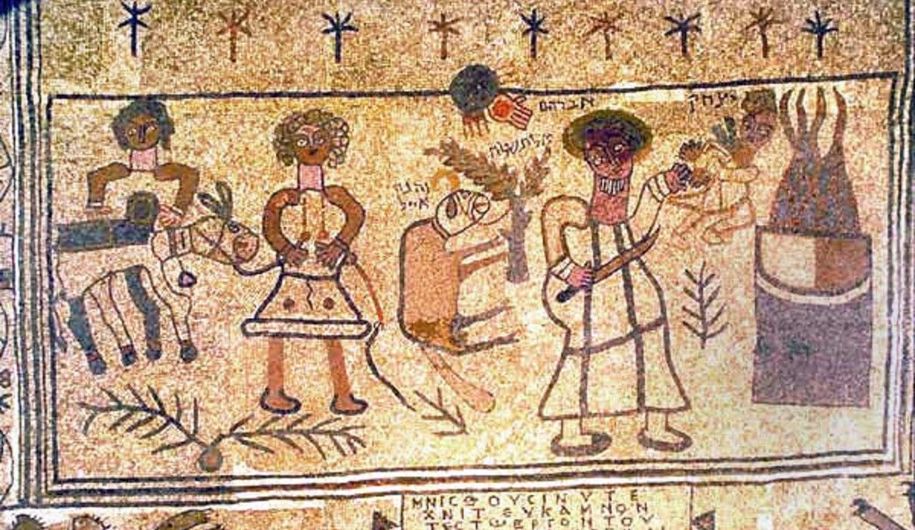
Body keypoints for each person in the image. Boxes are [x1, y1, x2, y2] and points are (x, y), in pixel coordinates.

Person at [540, 109, 693, 456]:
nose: (612, 165)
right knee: (583, 350)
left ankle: (656, 425)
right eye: (599, 156)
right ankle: (570, 430)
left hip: (634, 286)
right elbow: (551, 224)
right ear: (589, 160)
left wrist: (664, 184)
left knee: (651, 336)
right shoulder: (572, 211)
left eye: (620, 152)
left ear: (632, 155)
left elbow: (638, 224)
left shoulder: (625, 221)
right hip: (593, 294)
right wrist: (567, 269)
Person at [242, 109, 377, 416]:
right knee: (278, 327)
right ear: (290, 147)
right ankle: (274, 391)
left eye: (319, 139)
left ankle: (342, 395)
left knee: (333, 328)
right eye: (302, 141)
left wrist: (340, 245)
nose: (312, 146)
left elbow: (356, 215)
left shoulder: (336, 194)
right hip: (294, 274)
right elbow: (270, 223)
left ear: (332, 146)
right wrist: (284, 248)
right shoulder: (285, 196)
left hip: (325, 275)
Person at [669, 89, 777, 247]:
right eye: (748, 127)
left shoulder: (744, 160)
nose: (754, 136)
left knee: (744, 217)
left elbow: (740, 173)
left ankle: (712, 231)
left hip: (735, 197)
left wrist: (734, 171)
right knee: (700, 212)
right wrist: (703, 169)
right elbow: (711, 157)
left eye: (764, 132)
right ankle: (678, 233)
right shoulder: (723, 152)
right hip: (719, 194)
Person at [86, 98, 199, 229]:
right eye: (133, 130)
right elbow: (95, 177)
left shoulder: (167, 171)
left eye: (149, 128)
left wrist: (177, 211)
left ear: (162, 129)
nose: (141, 136)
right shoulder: (118, 171)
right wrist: (96, 207)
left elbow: (191, 175)